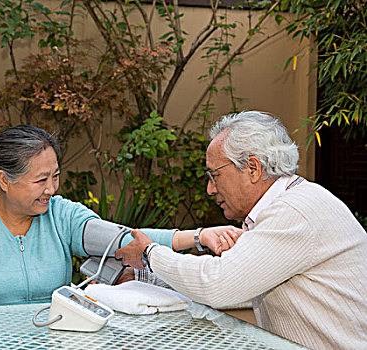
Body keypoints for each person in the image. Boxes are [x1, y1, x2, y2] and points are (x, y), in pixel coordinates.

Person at [0, 125, 242, 324]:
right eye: (41, 180)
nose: (52, 189)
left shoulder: (61, 215)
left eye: (56, 176)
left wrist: (197, 236)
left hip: (57, 339)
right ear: (4, 180)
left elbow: (122, 239)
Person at [116, 111, 367, 350]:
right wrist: (148, 278)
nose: (210, 190)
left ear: (253, 168)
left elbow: (219, 285)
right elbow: (243, 289)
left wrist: (150, 253)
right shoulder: (287, 206)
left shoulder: (295, 211)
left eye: (214, 175)